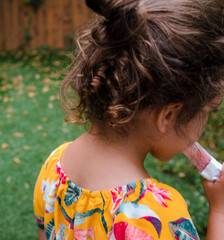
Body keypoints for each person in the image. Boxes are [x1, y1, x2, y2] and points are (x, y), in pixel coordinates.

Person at [33, 0, 224, 239]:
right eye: (208, 111)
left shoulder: (53, 169)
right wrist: (220, 211)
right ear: (168, 115)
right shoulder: (156, 215)